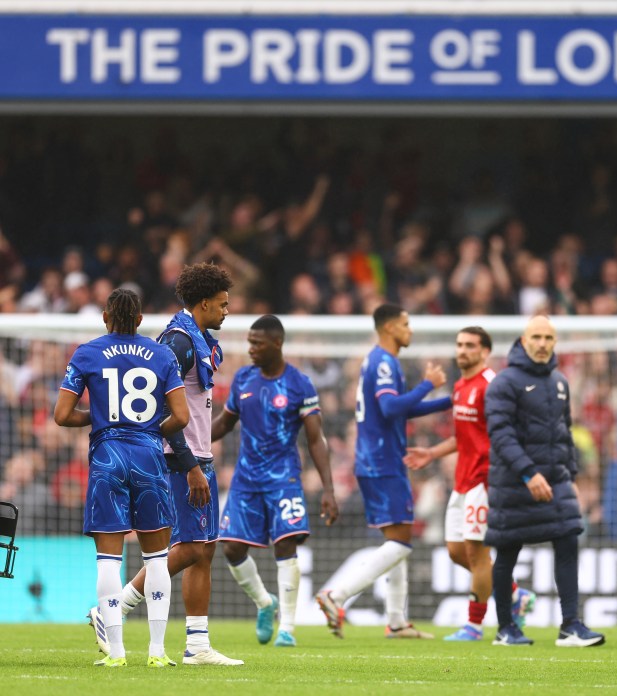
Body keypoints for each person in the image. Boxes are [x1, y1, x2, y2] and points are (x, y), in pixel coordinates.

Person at [89, 262, 242, 666]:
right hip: (178, 459)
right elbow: (159, 408)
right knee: (188, 548)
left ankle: (197, 644)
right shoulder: (177, 342)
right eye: (223, 304)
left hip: (197, 456)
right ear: (204, 303)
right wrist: (190, 463)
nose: (228, 311)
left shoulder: (199, 338)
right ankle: (113, 609)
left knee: (204, 550)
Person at [55, 288, 189, 667]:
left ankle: (116, 653)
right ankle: (158, 653)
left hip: (108, 457)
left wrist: (99, 419)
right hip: (148, 454)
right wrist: (147, 428)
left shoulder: (87, 352)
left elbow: (62, 415)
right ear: (141, 320)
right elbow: (181, 417)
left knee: (108, 562)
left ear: (104, 317)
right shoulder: (162, 353)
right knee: (158, 558)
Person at [315, 303, 451, 639]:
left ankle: (396, 620)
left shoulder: (377, 361)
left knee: (398, 538)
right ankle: (337, 595)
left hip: (377, 458)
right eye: (406, 323)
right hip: (383, 461)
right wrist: (428, 384)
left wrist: (448, 401)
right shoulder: (385, 362)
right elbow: (392, 407)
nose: (411, 330)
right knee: (402, 543)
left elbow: (398, 411)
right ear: (389, 327)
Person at [211, 315, 340, 648]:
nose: (251, 348)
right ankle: (265, 603)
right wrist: (183, 441)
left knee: (286, 544)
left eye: (258, 343)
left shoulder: (299, 383)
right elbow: (225, 424)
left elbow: (315, 439)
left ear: (277, 343)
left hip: (284, 479)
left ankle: (289, 628)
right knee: (232, 548)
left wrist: (328, 488)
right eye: (249, 342)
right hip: (246, 480)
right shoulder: (243, 379)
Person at [404, 326, 536, 642]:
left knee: (477, 555)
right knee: (455, 551)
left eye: (470, 345)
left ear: (484, 351)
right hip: (461, 481)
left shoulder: (492, 386)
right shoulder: (461, 385)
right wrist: (432, 453)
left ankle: (473, 626)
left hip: (484, 481)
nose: (462, 350)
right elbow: (464, 436)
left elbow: (506, 433)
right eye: (459, 344)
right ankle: (516, 594)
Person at [484, 314, 604, 648]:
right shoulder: (504, 383)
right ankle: (506, 628)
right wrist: (527, 473)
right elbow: (501, 434)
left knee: (568, 541)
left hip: (556, 482)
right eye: (535, 337)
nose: (541, 344)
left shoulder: (560, 382)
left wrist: (572, 476)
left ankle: (570, 625)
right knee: (507, 553)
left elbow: (564, 435)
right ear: (523, 341)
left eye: (548, 338)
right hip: (513, 484)